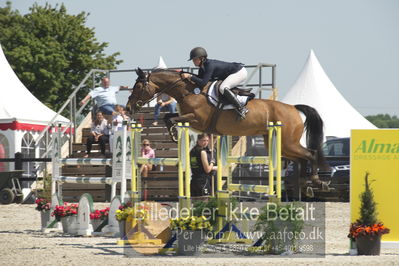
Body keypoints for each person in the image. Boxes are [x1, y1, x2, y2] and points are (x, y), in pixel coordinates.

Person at [181, 47, 248, 119]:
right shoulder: (202, 67)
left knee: (223, 88)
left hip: (239, 72)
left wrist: (190, 76)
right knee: (222, 87)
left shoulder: (210, 65)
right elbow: (198, 79)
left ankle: (241, 108)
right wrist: (187, 74)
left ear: (202, 58)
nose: (193, 61)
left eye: (195, 59)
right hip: (233, 73)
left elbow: (203, 82)